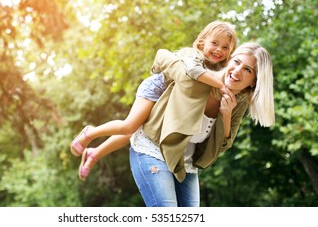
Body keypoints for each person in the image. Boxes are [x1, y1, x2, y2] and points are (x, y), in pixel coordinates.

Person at [79, 42, 275, 207]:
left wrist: (226, 114)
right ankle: (91, 138)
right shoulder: (200, 77)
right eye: (237, 62)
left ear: (253, 82)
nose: (237, 71)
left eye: (247, 70)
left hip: (185, 164)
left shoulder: (238, 103)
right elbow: (165, 58)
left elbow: (223, 145)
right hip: (153, 149)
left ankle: (94, 151)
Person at [70, 21, 238, 180]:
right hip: (158, 89)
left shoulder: (221, 70)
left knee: (136, 132)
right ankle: (89, 133)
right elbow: (193, 71)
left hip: (171, 100)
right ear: (202, 42)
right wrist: (221, 86)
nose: (218, 50)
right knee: (130, 125)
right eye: (214, 43)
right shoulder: (192, 55)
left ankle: (95, 153)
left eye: (225, 47)